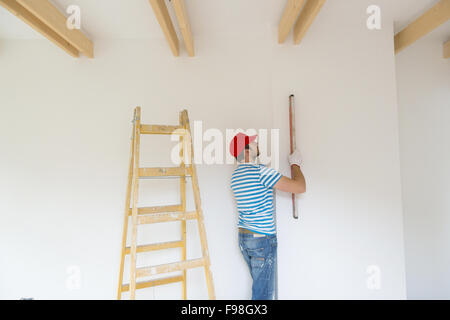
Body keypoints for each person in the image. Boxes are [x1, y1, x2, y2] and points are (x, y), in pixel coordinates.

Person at [230, 132, 306, 300]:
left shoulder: (235, 177)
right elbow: (300, 187)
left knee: (260, 288)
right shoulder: (261, 173)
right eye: (253, 143)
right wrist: (295, 165)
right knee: (263, 296)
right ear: (247, 152)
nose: (257, 143)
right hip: (261, 240)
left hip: (245, 238)